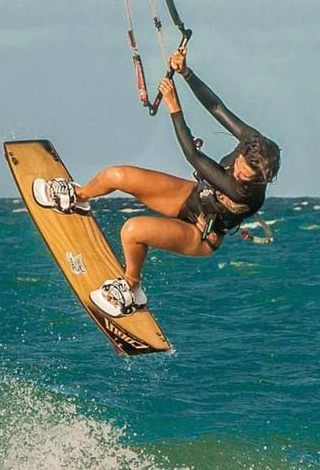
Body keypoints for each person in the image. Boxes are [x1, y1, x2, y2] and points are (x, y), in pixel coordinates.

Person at [32, 48, 281, 318]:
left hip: (201, 233)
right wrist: (187, 73)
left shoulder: (244, 192)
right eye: (241, 165)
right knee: (116, 175)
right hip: (191, 197)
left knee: (133, 230)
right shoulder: (254, 142)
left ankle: (131, 289)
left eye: (247, 175)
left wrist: (175, 109)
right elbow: (216, 107)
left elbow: (193, 156)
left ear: (260, 178)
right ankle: (78, 197)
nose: (239, 172)